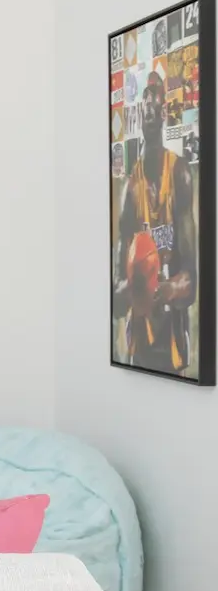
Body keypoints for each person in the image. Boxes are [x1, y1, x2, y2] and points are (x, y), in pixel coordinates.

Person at [113, 66, 197, 374]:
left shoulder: (180, 174)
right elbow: (117, 297)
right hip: (141, 343)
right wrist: (134, 285)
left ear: (163, 113)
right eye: (144, 105)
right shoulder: (129, 189)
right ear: (138, 114)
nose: (149, 110)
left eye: (155, 104)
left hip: (172, 335)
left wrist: (170, 287)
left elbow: (192, 278)